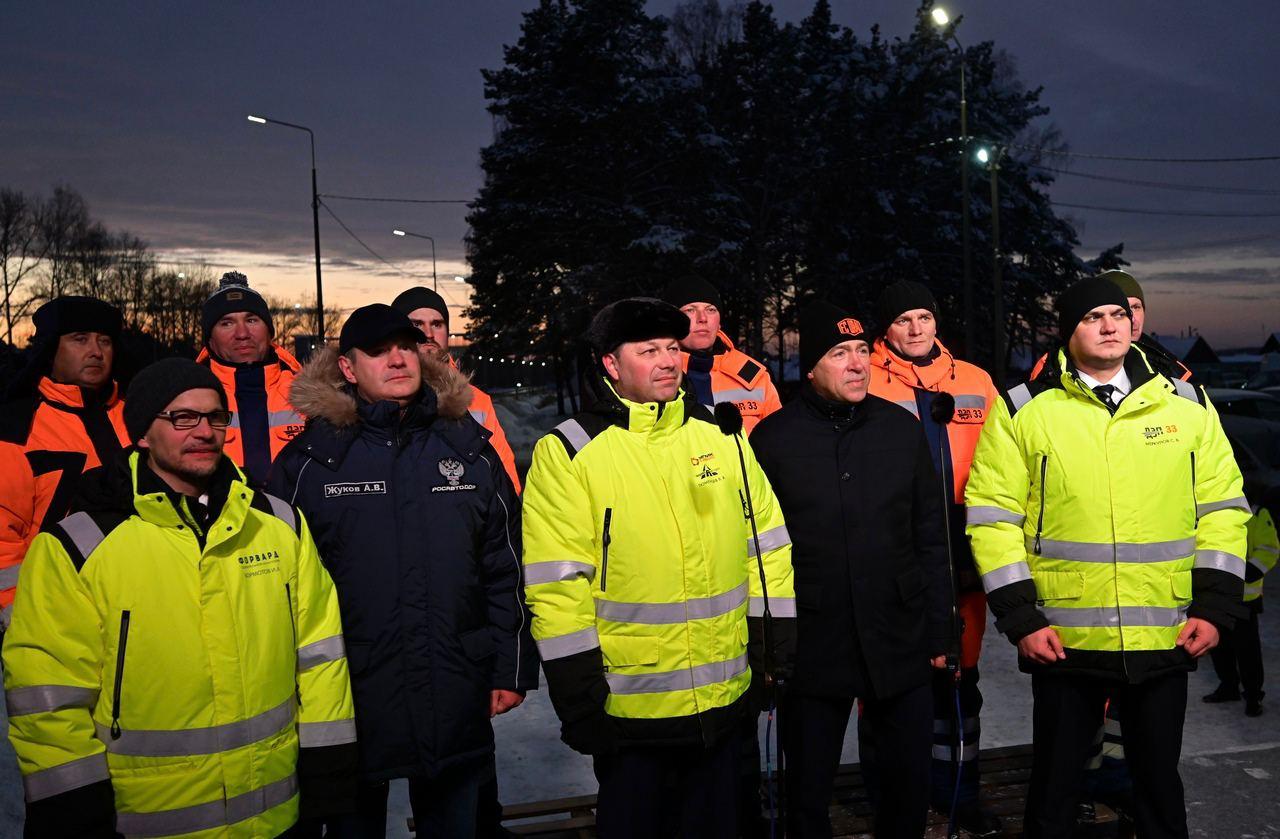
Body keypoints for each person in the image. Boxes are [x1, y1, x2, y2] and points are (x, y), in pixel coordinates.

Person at [3, 357, 355, 837]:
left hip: (276, 814)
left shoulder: (278, 525)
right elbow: (47, 695)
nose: (204, 431)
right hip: (147, 821)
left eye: (215, 417)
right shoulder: (80, 545)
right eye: (183, 418)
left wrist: (327, 773)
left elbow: (320, 658)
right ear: (144, 434)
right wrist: (74, 809)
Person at [965, 276, 1249, 839]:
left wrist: (1214, 608)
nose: (1110, 324)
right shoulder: (1025, 410)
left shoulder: (1186, 404)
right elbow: (993, 518)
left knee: (1158, 785)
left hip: (1163, 632)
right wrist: (1022, 619)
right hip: (1064, 639)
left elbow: (1223, 507)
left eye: (1118, 313)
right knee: (1055, 786)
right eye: (1093, 316)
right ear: (1069, 331)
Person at [521, 297, 795, 839]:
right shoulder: (570, 451)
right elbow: (557, 588)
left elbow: (767, 546)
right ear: (610, 364)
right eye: (649, 351)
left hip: (725, 698)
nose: (669, 360)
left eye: (673, 348)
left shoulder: (720, 436)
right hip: (630, 713)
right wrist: (579, 697)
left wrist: (773, 646)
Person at [270, 303, 538, 837]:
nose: (397, 359)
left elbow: (504, 566)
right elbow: (281, 591)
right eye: (377, 351)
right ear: (347, 368)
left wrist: (508, 669)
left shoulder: (469, 450)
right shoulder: (308, 463)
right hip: (349, 693)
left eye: (406, 347)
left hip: (455, 683)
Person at [751, 300, 952, 839]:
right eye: (840, 353)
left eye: (863, 350)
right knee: (808, 790)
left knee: (905, 784)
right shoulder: (771, 441)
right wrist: (769, 643)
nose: (857, 363)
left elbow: (930, 535)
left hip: (900, 634)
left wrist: (940, 628)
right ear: (811, 366)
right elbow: (754, 553)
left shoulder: (901, 429)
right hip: (815, 642)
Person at [865, 280, 1002, 835]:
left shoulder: (975, 380)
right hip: (893, 549)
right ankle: (892, 798)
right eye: (904, 319)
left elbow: (1002, 455)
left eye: (925, 316)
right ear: (886, 328)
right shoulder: (863, 377)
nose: (917, 328)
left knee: (959, 678)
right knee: (891, 681)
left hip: (963, 546)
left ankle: (958, 793)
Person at [0, 296, 130, 631]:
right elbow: (3, 535)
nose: (96, 351)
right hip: (51, 612)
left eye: (105, 340)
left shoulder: (138, 417)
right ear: (50, 349)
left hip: (138, 600)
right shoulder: (17, 426)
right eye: (79, 339)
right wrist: (16, 612)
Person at [392, 285, 522, 491]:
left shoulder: (477, 400)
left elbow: (506, 480)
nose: (428, 333)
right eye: (416, 324)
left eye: (437, 324)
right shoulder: (378, 392)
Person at [197, 271, 305, 488]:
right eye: (226, 323)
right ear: (210, 339)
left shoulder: (309, 394)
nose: (242, 333)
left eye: (252, 320)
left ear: (269, 332)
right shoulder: (190, 398)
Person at [663, 277, 782, 434]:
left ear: (719, 322)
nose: (702, 318)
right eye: (690, 310)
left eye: (711, 310)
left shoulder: (753, 376)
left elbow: (780, 441)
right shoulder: (657, 373)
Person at [1029, 269, 1190, 382]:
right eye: (1121, 311)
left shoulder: (1172, 369)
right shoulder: (1050, 373)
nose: (1131, 318)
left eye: (1136, 307)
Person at [1205, 490, 1278, 716]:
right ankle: (1228, 686)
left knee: (1247, 650)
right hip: (1218, 593)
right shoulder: (1215, 513)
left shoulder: (1257, 515)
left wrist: (1249, 572)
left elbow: (1269, 548)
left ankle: (1253, 695)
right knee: (1219, 646)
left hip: (1245, 598)